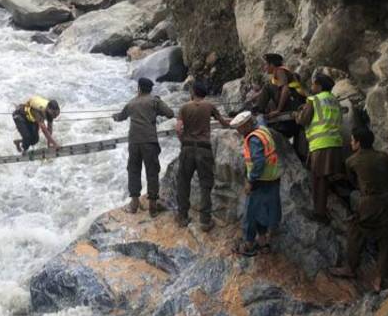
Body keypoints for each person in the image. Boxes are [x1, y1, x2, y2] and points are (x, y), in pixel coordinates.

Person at [330, 127, 388, 292]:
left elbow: (354, 183)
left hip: (370, 202)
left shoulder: (352, 161)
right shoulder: (384, 157)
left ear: (358, 143)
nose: (351, 142)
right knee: (387, 239)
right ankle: (380, 279)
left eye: (352, 140)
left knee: (356, 230)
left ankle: (351, 267)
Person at [113, 77, 175, 217]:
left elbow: (121, 117)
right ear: (150, 89)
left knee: (133, 170)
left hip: (134, 142)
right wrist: (156, 111)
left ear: (139, 88)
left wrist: (114, 116)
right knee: (152, 171)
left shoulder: (131, 103)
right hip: (149, 142)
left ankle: (134, 203)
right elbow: (170, 114)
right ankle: (152, 207)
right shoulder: (155, 101)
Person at [174, 80, 230, 231]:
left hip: (187, 148)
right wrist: (234, 123)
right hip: (204, 149)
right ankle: (205, 220)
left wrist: (183, 141)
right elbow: (223, 122)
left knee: (183, 182)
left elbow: (178, 129)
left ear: (193, 92)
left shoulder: (184, 107)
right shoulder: (210, 106)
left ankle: (182, 217)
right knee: (205, 184)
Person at [295, 73, 346, 223]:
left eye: (313, 84)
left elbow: (304, 120)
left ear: (319, 86)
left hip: (321, 144)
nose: (311, 87)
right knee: (328, 177)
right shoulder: (334, 101)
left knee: (319, 179)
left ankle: (320, 214)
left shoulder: (314, 99)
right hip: (335, 143)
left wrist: (297, 115)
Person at [231, 111, 282, 256]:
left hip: (260, 181)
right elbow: (261, 118)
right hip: (273, 178)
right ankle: (264, 241)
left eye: (240, 128)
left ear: (247, 125)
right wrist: (259, 114)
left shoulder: (253, 139)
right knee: (266, 210)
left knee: (250, 213)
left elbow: (258, 162)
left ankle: (249, 244)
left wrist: (250, 180)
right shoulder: (263, 130)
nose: (239, 132)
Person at [253, 53, 307, 158]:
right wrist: (253, 98)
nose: (264, 68)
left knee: (268, 86)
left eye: (266, 65)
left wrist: (278, 110)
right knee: (268, 86)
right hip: (297, 103)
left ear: (272, 65)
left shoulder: (279, 71)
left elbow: (285, 89)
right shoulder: (284, 72)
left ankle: (258, 110)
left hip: (292, 104)